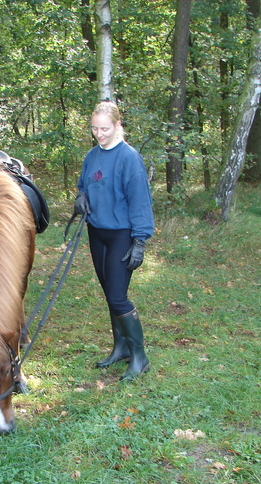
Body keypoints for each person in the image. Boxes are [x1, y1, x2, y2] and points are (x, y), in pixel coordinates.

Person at [74, 101, 154, 380]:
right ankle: (121, 348)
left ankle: (140, 357)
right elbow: (84, 183)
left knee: (118, 297)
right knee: (110, 294)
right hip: (97, 233)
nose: (99, 134)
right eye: (95, 128)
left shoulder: (129, 158)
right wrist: (80, 196)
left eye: (105, 128)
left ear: (118, 125)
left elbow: (140, 201)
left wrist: (140, 241)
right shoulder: (92, 156)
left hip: (122, 234)